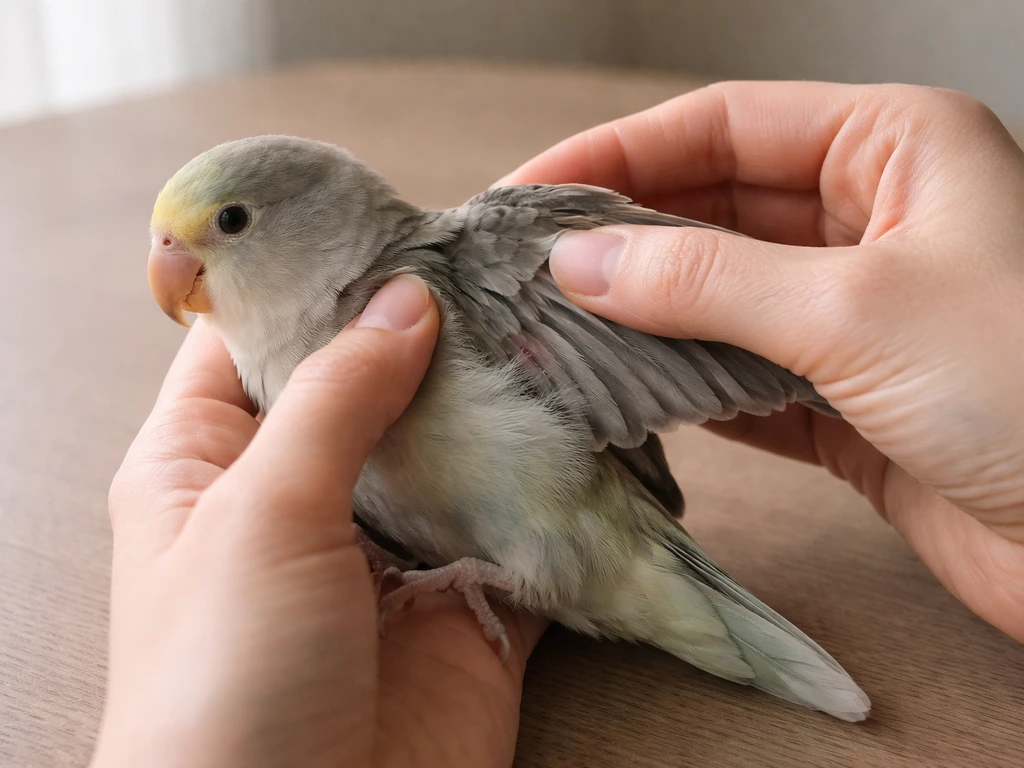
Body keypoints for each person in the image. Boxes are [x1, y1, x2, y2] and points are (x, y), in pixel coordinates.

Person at [90, 81, 1024, 767]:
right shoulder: (269, 358)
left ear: (315, 218)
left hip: (587, 542)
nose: (177, 267)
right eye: (169, 242)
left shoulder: (451, 270)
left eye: (232, 222)